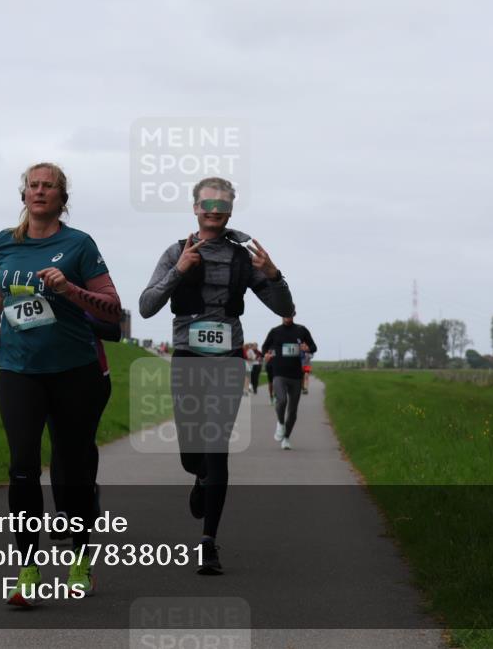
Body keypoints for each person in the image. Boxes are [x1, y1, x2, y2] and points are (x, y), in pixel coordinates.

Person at [0, 162, 122, 606]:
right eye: (33, 186)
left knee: (72, 471)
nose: (40, 192)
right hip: (18, 369)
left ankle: (80, 563)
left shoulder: (78, 244)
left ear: (63, 198)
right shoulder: (4, 241)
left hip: (73, 370)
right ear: (23, 195)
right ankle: (27, 572)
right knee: (21, 466)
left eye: (50, 187)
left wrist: (69, 290)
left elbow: (111, 309)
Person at [139, 176, 294, 575]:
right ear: (195, 208)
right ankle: (200, 476)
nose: (214, 209)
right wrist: (179, 270)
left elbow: (284, 306)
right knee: (193, 454)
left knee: (217, 445)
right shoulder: (177, 250)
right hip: (188, 356)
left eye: (222, 203)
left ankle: (208, 542)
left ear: (230, 210)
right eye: (207, 202)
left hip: (227, 358)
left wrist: (274, 276)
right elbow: (146, 306)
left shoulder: (244, 258)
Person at [48, 312, 121, 540]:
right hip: (50, 374)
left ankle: (87, 493)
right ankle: (62, 513)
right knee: (59, 442)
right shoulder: (38, 290)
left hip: (94, 376)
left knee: (82, 442)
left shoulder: (90, 291)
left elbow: (114, 331)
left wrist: (77, 317)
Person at [262, 313, 317, 450]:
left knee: (292, 411)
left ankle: (286, 438)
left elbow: (314, 346)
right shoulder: (275, 331)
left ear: (294, 314)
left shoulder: (301, 330)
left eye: (290, 313)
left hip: (296, 375)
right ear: (281, 314)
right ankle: (280, 423)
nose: (288, 315)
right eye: (285, 313)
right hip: (279, 373)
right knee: (281, 401)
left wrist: (308, 348)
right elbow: (264, 347)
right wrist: (266, 354)